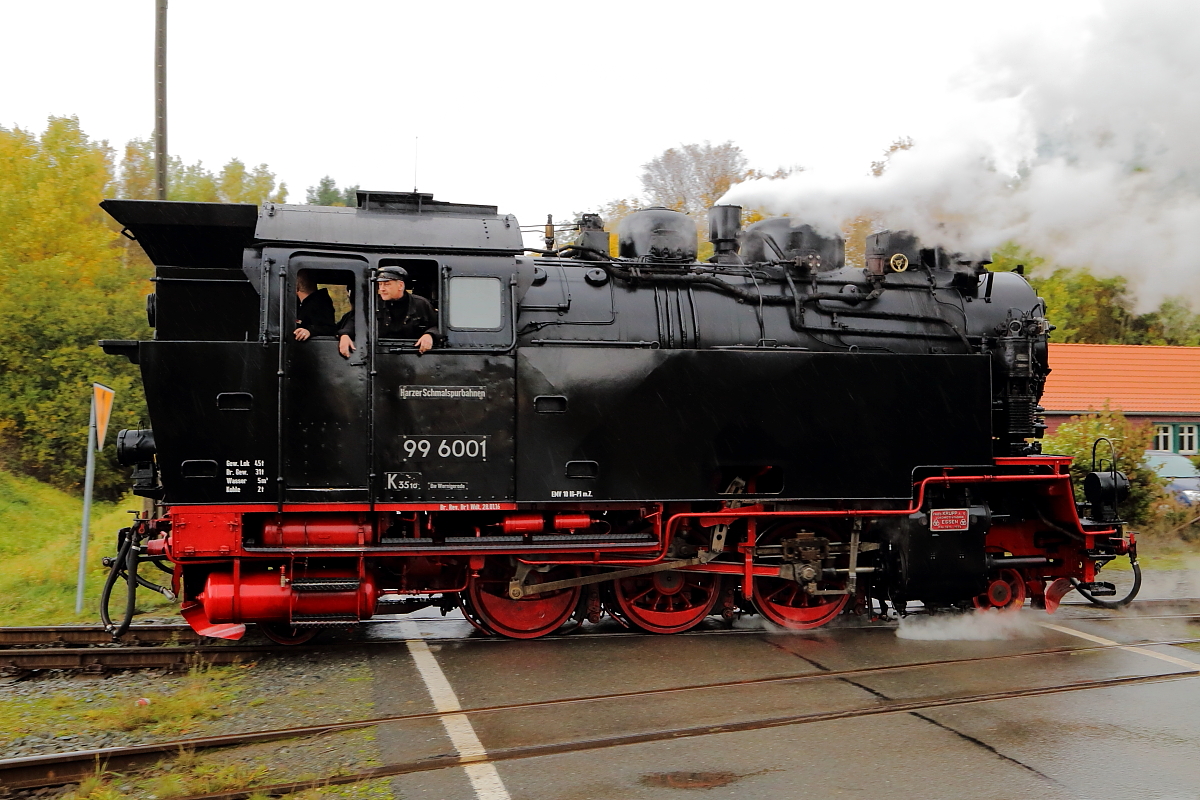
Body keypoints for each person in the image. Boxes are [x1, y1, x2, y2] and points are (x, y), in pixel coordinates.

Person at [338, 266, 437, 357]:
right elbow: (355, 321)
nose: (382, 289)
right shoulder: (374, 303)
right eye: (380, 284)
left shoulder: (421, 304)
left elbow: (438, 325)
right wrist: (345, 335)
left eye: (387, 284)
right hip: (379, 355)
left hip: (413, 356)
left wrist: (429, 335)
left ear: (400, 286)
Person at [293, 271, 338, 340]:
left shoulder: (319, 304)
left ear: (297, 287)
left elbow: (330, 328)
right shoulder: (304, 305)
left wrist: (310, 331)